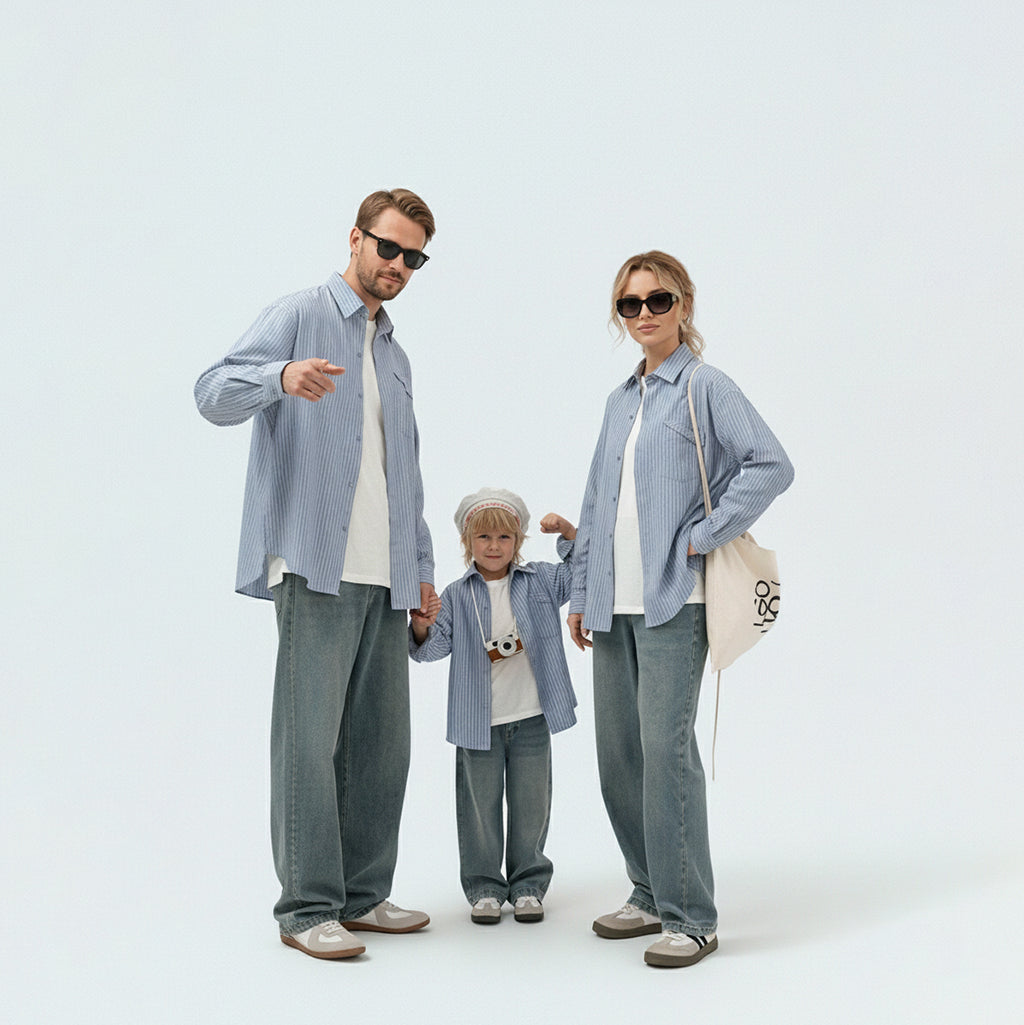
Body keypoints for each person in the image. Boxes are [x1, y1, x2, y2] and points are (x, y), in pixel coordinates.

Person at [194, 188, 438, 960]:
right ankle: (305, 907)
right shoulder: (299, 314)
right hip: (313, 561)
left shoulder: (394, 354)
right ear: (356, 238)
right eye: (387, 247)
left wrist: (421, 569)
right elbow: (211, 392)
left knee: (380, 746)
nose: (397, 264)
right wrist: (280, 377)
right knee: (310, 741)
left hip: (385, 573)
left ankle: (363, 895)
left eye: (413, 257)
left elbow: (406, 473)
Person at [567, 251, 793, 968]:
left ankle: (691, 915)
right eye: (629, 304)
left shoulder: (705, 386)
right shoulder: (620, 400)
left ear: (683, 304)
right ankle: (648, 891)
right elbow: (597, 501)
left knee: (664, 755)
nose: (644, 314)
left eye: (657, 300)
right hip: (612, 603)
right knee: (619, 757)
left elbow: (771, 464)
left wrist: (705, 533)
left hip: (673, 597)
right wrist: (582, 589)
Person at [409, 489, 578, 925]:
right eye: (483, 536)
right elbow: (430, 651)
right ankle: (484, 887)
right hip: (477, 722)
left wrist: (568, 534)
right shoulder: (455, 595)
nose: (494, 546)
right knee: (478, 808)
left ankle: (527, 885)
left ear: (518, 540)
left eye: (504, 537)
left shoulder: (540, 580)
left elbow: (583, 572)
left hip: (532, 716)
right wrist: (422, 626)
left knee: (531, 805)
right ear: (467, 541)